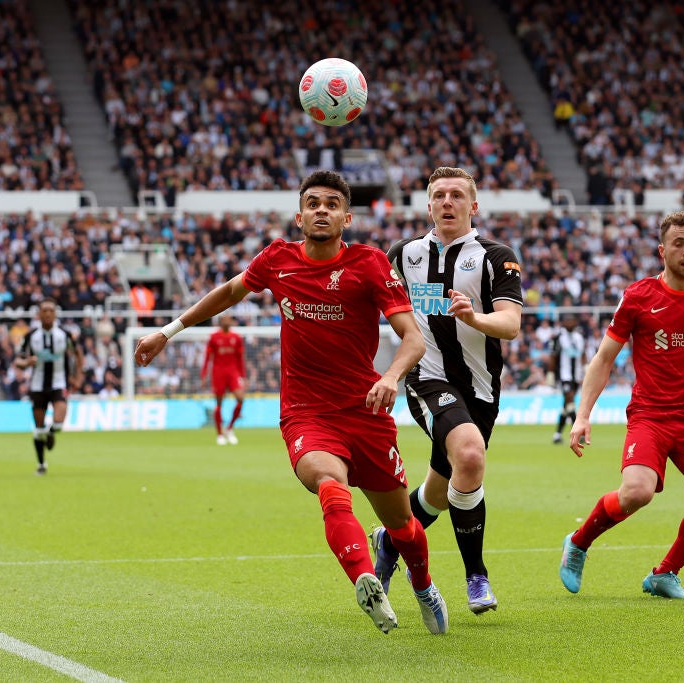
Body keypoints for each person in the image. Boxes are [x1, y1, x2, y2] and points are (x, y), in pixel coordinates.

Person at [133, 170, 449, 635]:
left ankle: (422, 584)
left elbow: (412, 338)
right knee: (327, 479)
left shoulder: (370, 264)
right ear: (299, 215)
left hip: (366, 410)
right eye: (313, 203)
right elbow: (229, 292)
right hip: (306, 412)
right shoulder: (277, 259)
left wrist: (391, 376)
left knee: (401, 524)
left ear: (347, 216)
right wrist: (168, 331)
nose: (322, 210)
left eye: (332, 204)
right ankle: (364, 577)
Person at [559, 210, 684, 600]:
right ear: (661, 249)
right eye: (679, 243)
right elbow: (603, 359)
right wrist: (583, 415)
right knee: (637, 492)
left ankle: (665, 574)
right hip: (650, 417)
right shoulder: (638, 297)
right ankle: (579, 543)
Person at [375, 166, 523, 615]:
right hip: (428, 377)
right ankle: (476, 576)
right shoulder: (402, 254)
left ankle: (389, 539)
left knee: (441, 492)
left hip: (481, 389)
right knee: (471, 455)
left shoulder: (496, 256)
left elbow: (511, 325)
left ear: (473, 206)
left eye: (457, 195)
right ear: (428, 205)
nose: (447, 202)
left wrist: (475, 318)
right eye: (439, 195)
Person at [14, 299, 83, 475]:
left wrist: (78, 376)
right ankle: (41, 464)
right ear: (39, 314)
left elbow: (78, 353)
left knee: (59, 423)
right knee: (38, 430)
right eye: (44, 310)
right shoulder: (31, 336)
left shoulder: (64, 335)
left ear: (55, 314)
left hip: (59, 383)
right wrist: (26, 362)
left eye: (50, 310)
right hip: (37, 386)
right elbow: (18, 361)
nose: (47, 314)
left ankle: (51, 433)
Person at [201, 314, 246, 445]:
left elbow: (240, 358)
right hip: (218, 372)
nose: (228, 321)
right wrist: (204, 374)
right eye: (225, 319)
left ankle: (229, 428)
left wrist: (243, 376)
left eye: (230, 319)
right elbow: (208, 358)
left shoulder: (236, 338)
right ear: (220, 322)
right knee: (219, 403)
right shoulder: (214, 337)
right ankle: (220, 434)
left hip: (233, 372)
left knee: (240, 399)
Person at [549, 314, 586, 444]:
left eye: (572, 320)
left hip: (576, 377)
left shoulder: (579, 338)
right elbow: (553, 357)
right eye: (567, 320)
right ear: (564, 323)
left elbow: (583, 355)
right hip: (564, 376)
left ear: (575, 322)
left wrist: (585, 369)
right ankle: (579, 433)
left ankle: (557, 435)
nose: (569, 323)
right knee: (570, 402)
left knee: (566, 407)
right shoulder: (559, 338)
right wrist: (551, 375)